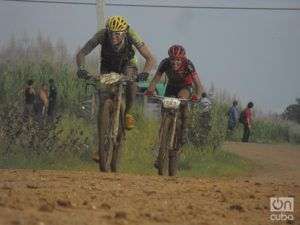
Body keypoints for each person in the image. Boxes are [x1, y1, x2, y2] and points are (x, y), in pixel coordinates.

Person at [76, 15, 156, 130]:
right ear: (107, 31)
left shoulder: (131, 34)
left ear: (124, 33)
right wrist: (81, 68)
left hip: (127, 63)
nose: (113, 37)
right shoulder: (102, 34)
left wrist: (145, 73)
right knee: (103, 93)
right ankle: (103, 121)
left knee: (131, 82)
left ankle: (128, 112)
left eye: (117, 34)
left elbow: (150, 58)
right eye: (111, 33)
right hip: (108, 64)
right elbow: (82, 53)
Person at [145, 44, 204, 144]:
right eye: (172, 59)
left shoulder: (188, 64)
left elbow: (198, 85)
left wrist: (197, 96)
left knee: (182, 99)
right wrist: (150, 90)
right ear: (169, 58)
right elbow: (155, 79)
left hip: (185, 86)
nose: (175, 62)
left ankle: (184, 130)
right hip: (171, 86)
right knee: (165, 105)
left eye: (178, 60)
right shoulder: (164, 63)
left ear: (183, 59)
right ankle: (162, 134)